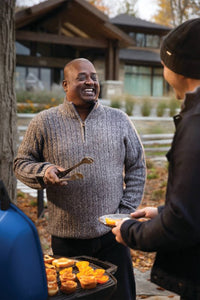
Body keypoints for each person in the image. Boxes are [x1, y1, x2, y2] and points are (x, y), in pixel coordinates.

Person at [14, 58, 146, 300]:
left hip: (113, 236)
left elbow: (137, 166)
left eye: (94, 77)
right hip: (67, 241)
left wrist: (124, 212)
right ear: (65, 85)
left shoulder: (120, 120)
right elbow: (21, 163)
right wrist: (43, 172)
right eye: (82, 77)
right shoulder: (44, 122)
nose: (90, 82)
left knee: (121, 296)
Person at [112, 18, 200, 300]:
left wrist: (131, 231)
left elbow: (182, 225)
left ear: (179, 66)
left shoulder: (196, 123)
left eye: (163, 61)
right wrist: (162, 214)